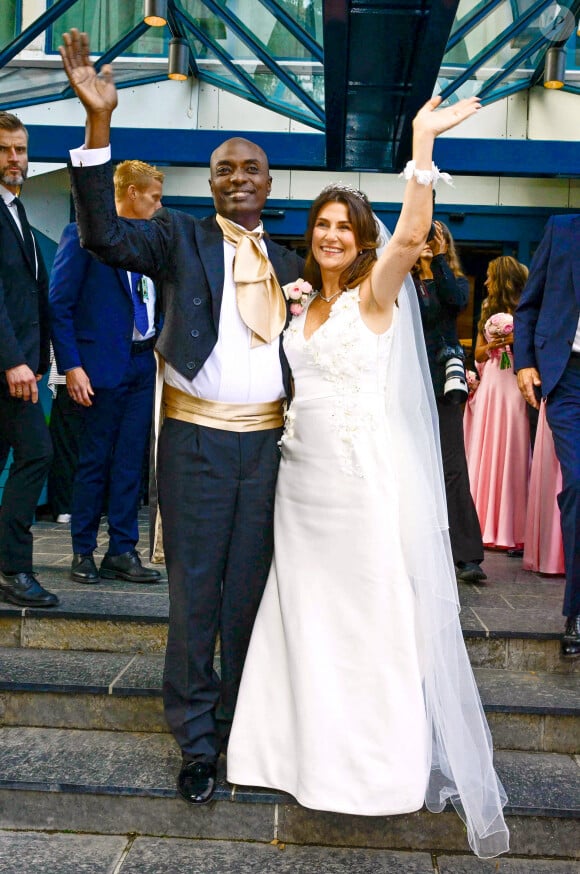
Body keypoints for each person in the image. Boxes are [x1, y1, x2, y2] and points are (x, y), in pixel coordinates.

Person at [227, 103, 510, 859]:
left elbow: (414, 233)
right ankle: (291, 755)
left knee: (365, 620)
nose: (329, 237)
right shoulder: (299, 301)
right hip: (299, 483)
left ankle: (374, 766)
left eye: (342, 228)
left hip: (358, 487)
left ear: (360, 240)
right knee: (303, 616)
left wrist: (419, 144)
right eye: (321, 226)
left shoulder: (375, 297)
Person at [59, 29, 304, 804]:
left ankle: (242, 732)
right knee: (196, 595)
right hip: (196, 442)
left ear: (270, 183)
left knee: (250, 595)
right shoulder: (177, 239)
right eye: (224, 167)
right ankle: (196, 743)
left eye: (251, 168)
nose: (238, 177)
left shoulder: (296, 265)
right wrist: (99, 129)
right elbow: (102, 234)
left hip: (271, 450)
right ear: (213, 181)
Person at [50, 160, 164, 586]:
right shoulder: (81, 235)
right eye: (153, 195)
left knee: (130, 463)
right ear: (131, 193)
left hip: (142, 363)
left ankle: (122, 550)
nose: (158, 204)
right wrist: (72, 366)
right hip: (98, 368)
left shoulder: (152, 240)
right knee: (94, 461)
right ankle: (83, 551)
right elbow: (59, 305)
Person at [514, 214, 580, 657]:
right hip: (569, 377)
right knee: (579, 483)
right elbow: (529, 305)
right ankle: (578, 609)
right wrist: (524, 361)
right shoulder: (562, 230)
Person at [0, 111, 58, 609]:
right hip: (6, 367)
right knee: (37, 452)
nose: (15, 158)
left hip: (21, 366)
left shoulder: (17, 208)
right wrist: (14, 361)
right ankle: (14, 568)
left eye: (20, 148)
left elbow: (31, 295)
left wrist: (39, 360)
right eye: (4, 149)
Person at [411, 221, 486, 584]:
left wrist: (438, 259)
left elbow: (456, 302)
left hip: (443, 384)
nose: (425, 243)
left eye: (432, 239)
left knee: (452, 465)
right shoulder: (403, 283)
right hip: (406, 381)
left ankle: (467, 556)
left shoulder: (451, 280)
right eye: (420, 238)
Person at [465, 257, 530, 550]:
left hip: (514, 382)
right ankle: (480, 524)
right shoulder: (486, 311)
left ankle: (513, 527)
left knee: (513, 447)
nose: (487, 282)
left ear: (503, 279)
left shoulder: (526, 311)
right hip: (492, 382)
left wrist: (513, 338)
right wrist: (493, 345)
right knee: (486, 447)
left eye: (491, 277)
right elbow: (478, 355)